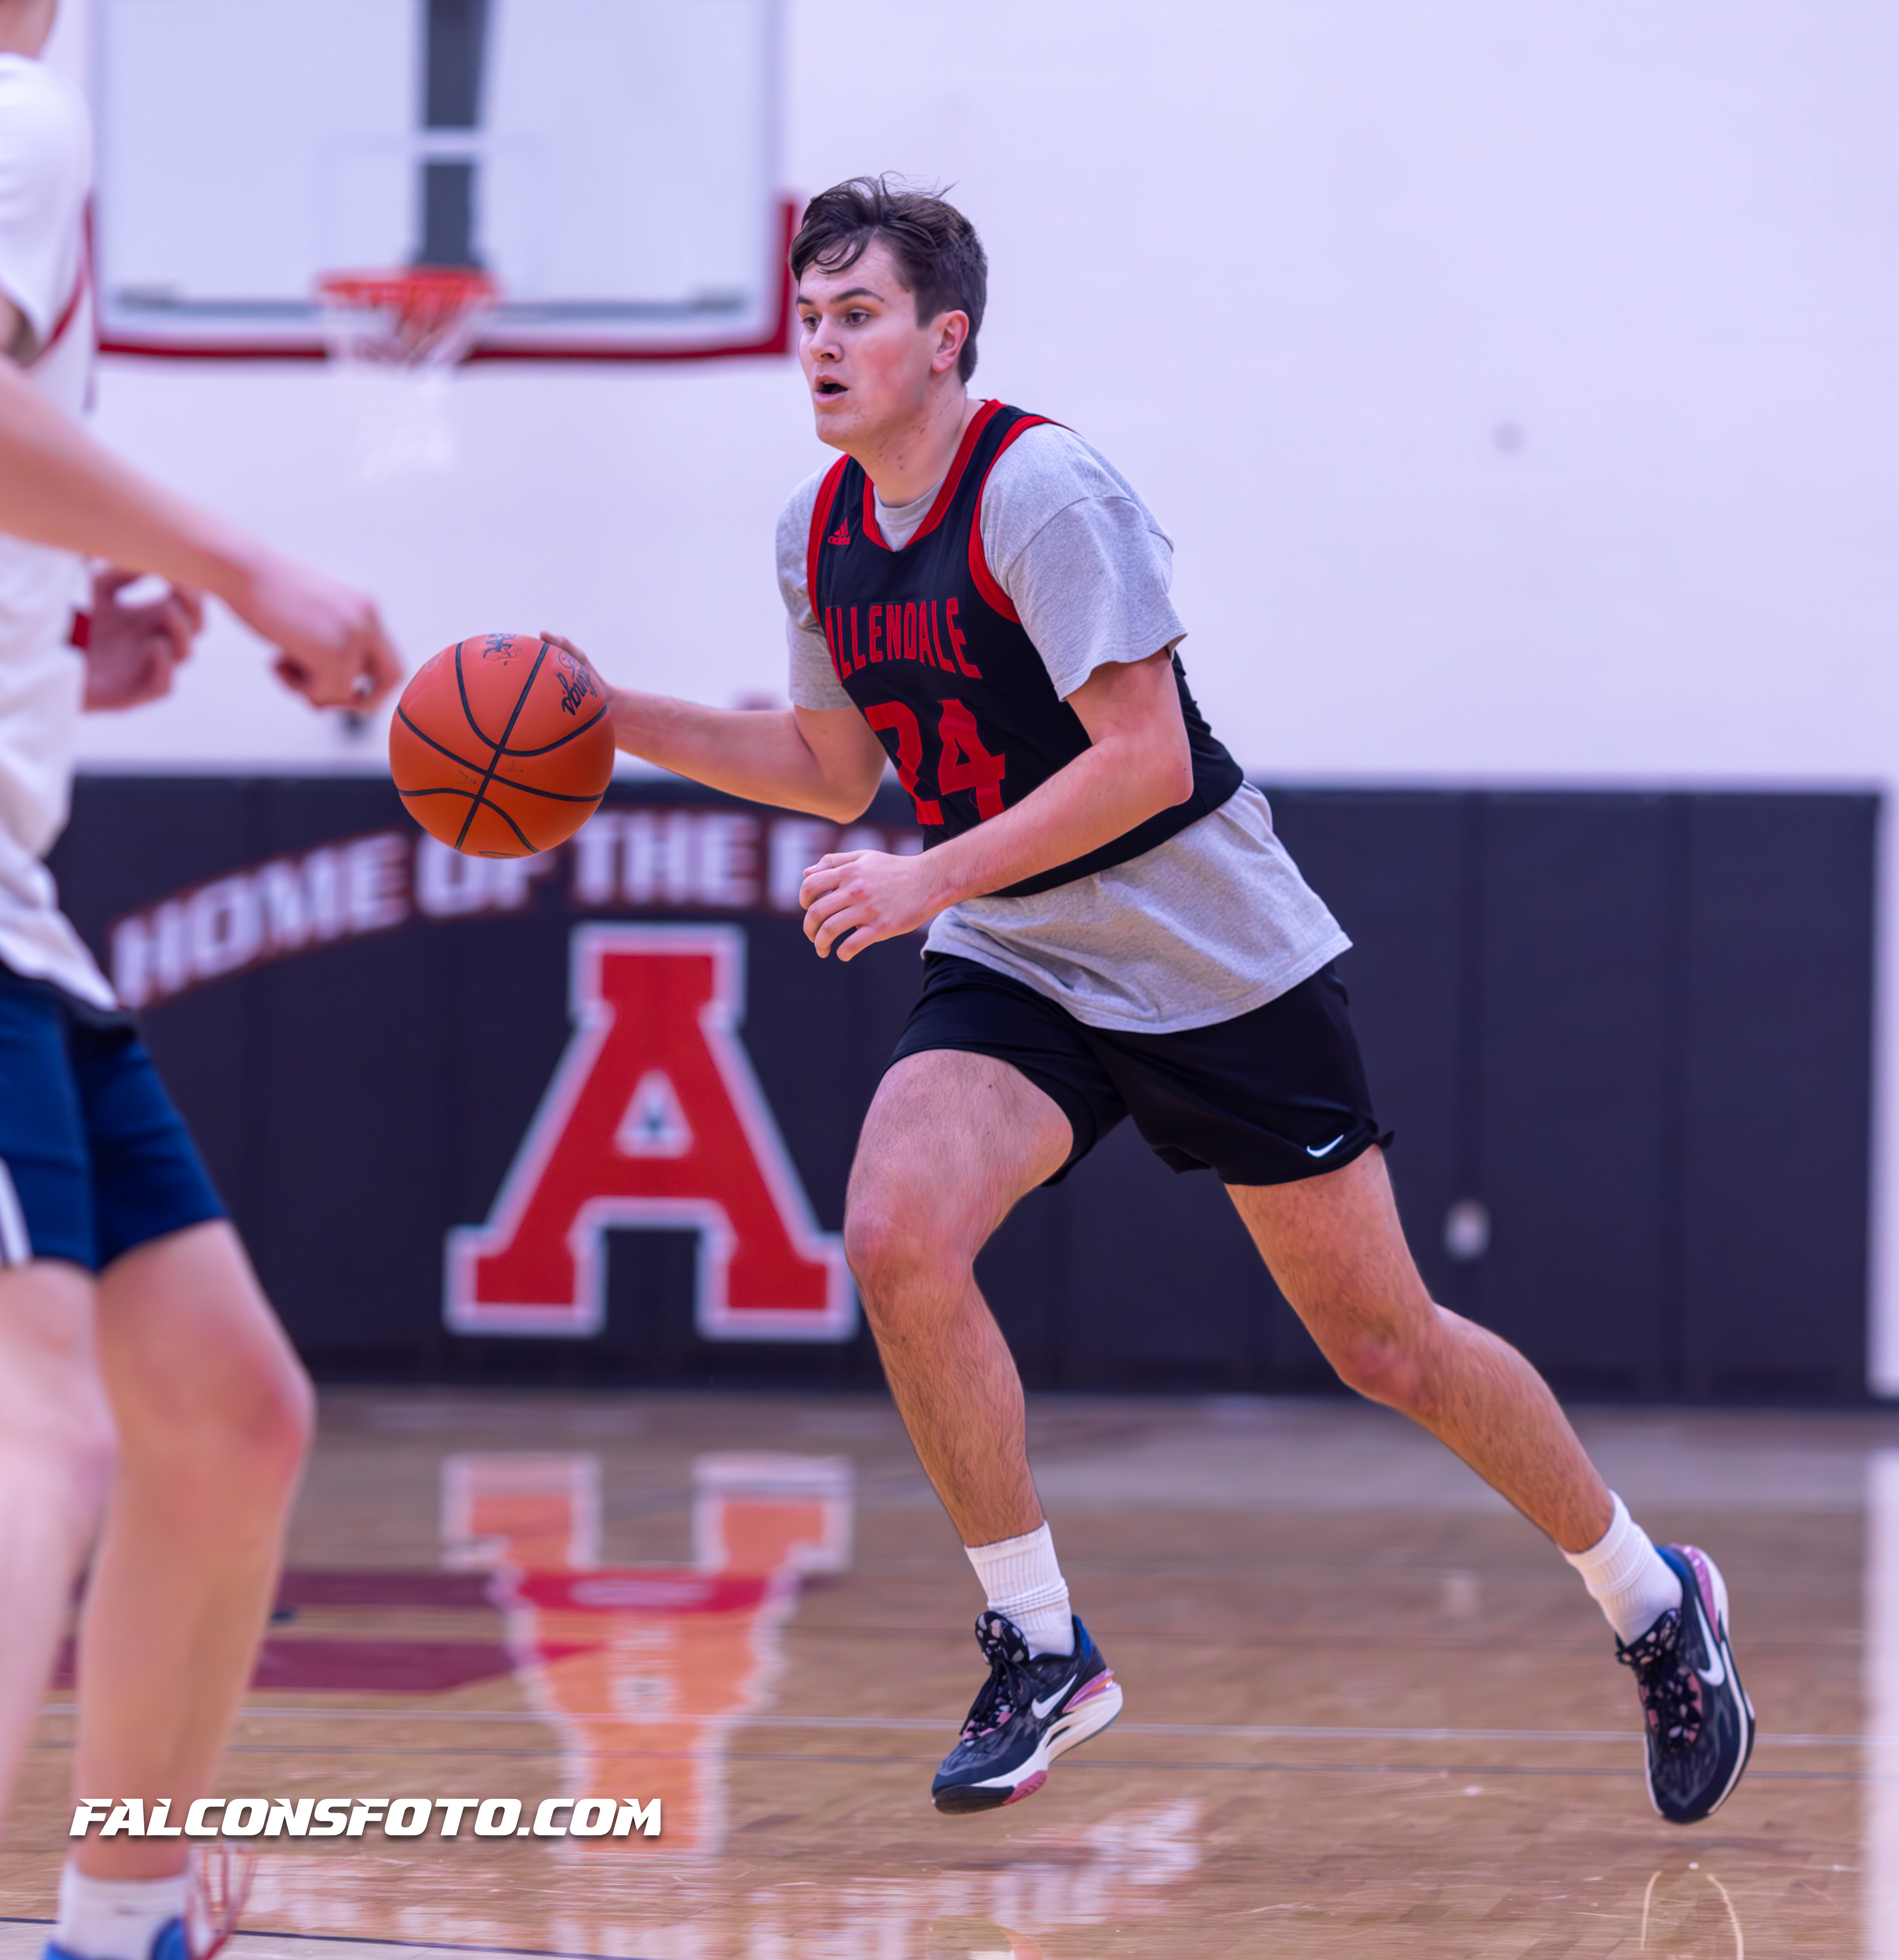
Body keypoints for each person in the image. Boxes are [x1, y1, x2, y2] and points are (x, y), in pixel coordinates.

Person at [552, 175, 1754, 1827]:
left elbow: (1147, 759)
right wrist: (611, 713)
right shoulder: (816, 531)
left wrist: (927, 875)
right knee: (896, 1230)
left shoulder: (1041, 491)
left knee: (1388, 1343)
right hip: (1022, 954)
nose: (820, 347)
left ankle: (1651, 1596)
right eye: (809, 318)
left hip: (1208, 955)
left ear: (945, 338)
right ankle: (1040, 1642)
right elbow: (833, 766)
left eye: (858, 317)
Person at [0, 4, 402, 1955]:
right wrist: (256, 572)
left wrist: (67, 649)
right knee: (38, 1424)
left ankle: (121, 1920)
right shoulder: (17, 112)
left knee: (230, 1415)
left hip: (22, 907)